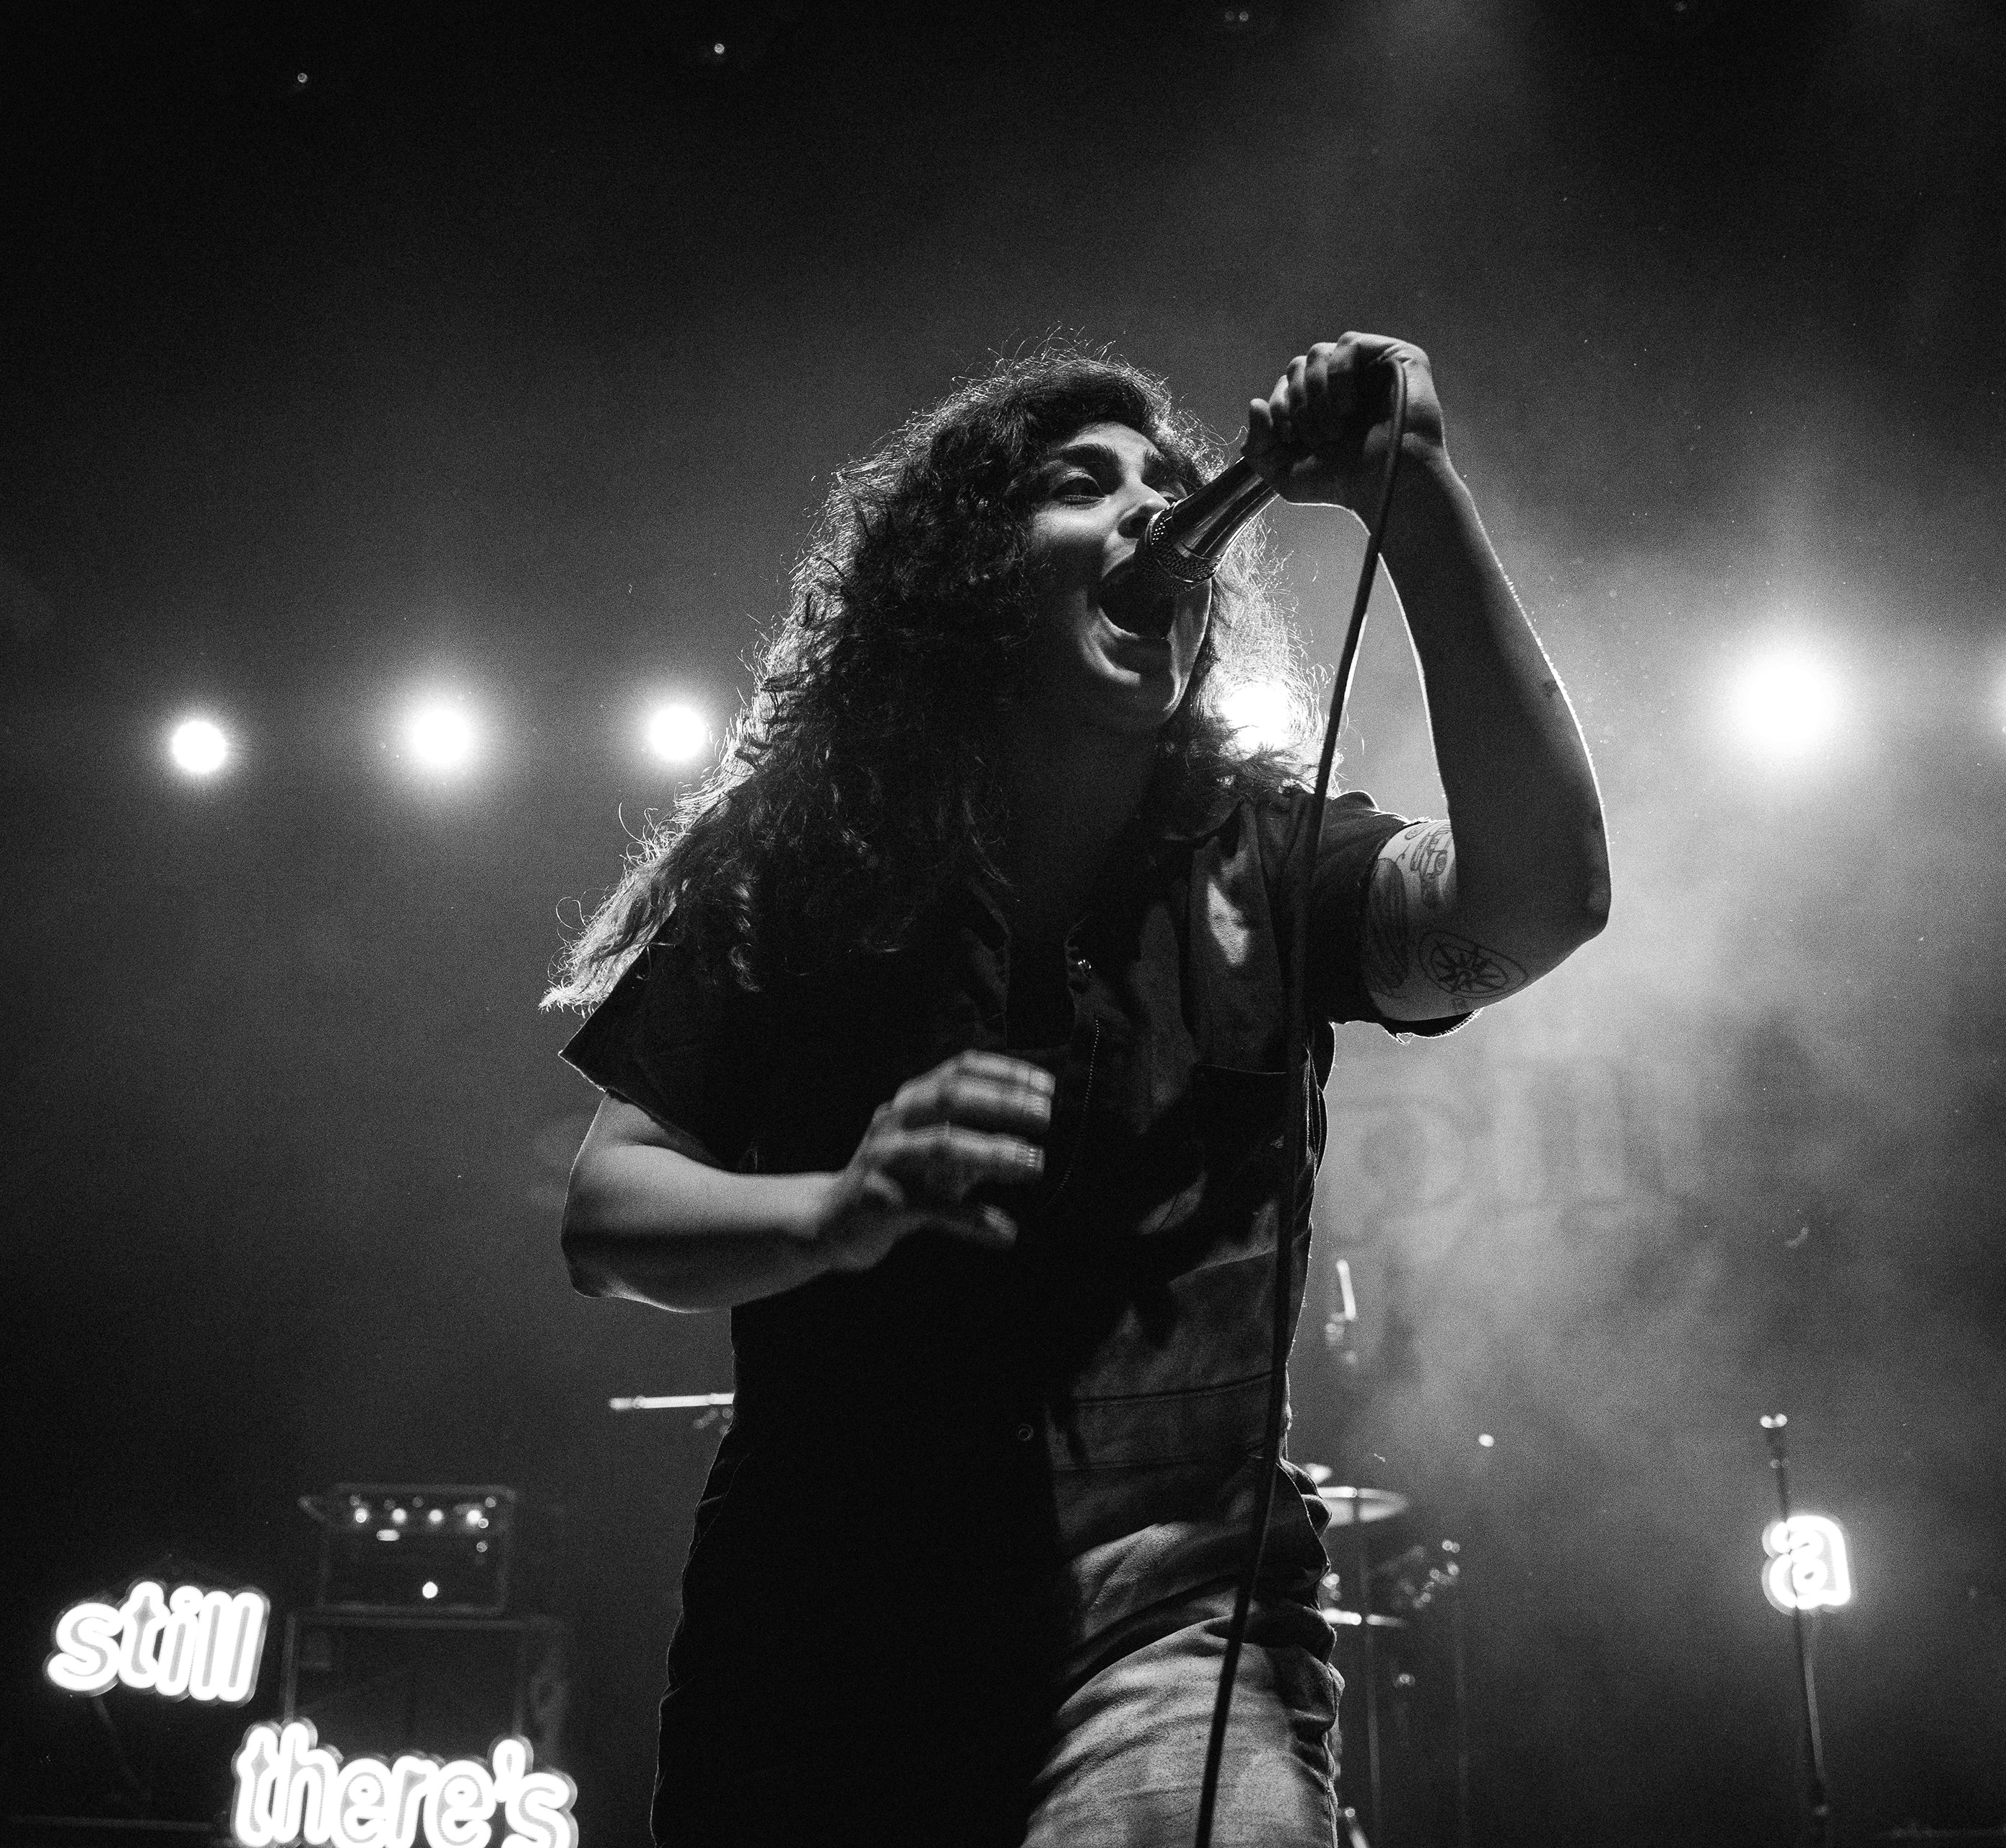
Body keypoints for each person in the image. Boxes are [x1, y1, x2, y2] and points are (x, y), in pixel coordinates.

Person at [545, 332, 1610, 1847]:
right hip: (820, 1638)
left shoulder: (1264, 856)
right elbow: (607, 1210)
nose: (1151, 507)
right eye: (1081, 483)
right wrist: (836, 1211)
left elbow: (1539, 904)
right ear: (968, 576)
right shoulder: (801, 869)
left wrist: (1416, 500)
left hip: (1170, 1620)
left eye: (1166, 482)